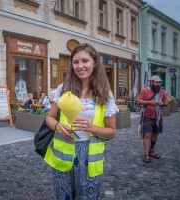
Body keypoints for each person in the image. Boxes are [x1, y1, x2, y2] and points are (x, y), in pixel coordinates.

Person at [44, 43, 118, 199]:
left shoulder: (105, 94)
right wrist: (58, 126)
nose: (80, 66)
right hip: (63, 155)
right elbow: (49, 118)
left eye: (85, 61)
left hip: (90, 157)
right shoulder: (63, 89)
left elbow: (111, 132)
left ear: (95, 63)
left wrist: (93, 128)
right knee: (64, 196)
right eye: (76, 62)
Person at [137, 75, 168, 163]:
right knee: (147, 135)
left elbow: (166, 101)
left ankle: (151, 150)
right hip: (148, 117)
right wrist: (149, 102)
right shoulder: (145, 90)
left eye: (159, 82)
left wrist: (163, 103)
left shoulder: (162, 91)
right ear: (151, 82)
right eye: (156, 82)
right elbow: (138, 101)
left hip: (158, 118)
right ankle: (146, 154)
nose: (158, 84)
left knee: (155, 135)